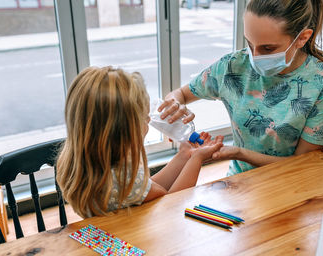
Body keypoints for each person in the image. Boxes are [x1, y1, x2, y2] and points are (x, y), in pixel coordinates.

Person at [158, 0, 323, 176]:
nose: (254, 57)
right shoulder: (233, 66)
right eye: (249, 43)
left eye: (268, 49)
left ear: (302, 38)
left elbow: (302, 163)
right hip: (239, 184)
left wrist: (239, 153)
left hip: (290, 185)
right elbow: (181, 93)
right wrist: (174, 105)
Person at [56, 66, 223, 218]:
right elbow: (170, 204)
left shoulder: (87, 164)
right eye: (144, 117)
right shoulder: (122, 175)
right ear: (123, 130)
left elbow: (145, 189)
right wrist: (197, 159)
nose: (149, 120)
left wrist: (185, 155)